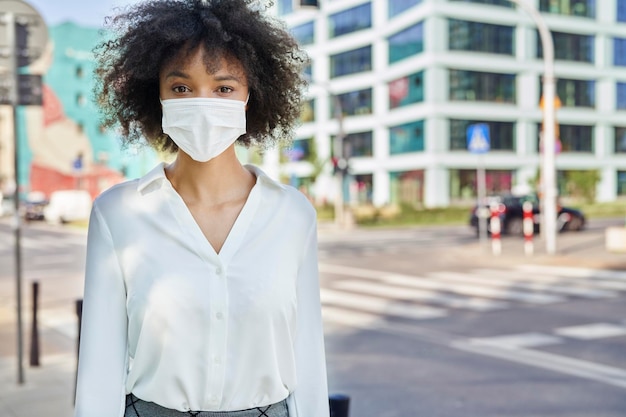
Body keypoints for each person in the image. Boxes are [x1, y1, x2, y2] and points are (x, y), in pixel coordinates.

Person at [73, 1, 329, 417]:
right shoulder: (117, 214)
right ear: (155, 95)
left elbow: (309, 361)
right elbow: (98, 372)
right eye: (181, 87)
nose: (202, 101)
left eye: (224, 87)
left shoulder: (294, 216)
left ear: (251, 95)